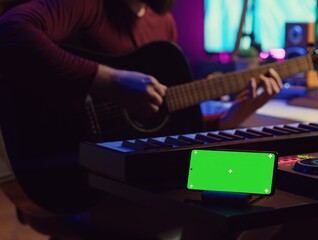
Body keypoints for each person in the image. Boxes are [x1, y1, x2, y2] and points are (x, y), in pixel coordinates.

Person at [0, 0, 284, 239]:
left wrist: (235, 115)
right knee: (219, 215)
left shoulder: (164, 23)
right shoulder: (87, 5)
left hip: (143, 175)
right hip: (82, 179)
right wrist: (109, 80)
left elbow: (169, 125)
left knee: (270, 196)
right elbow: (9, 31)